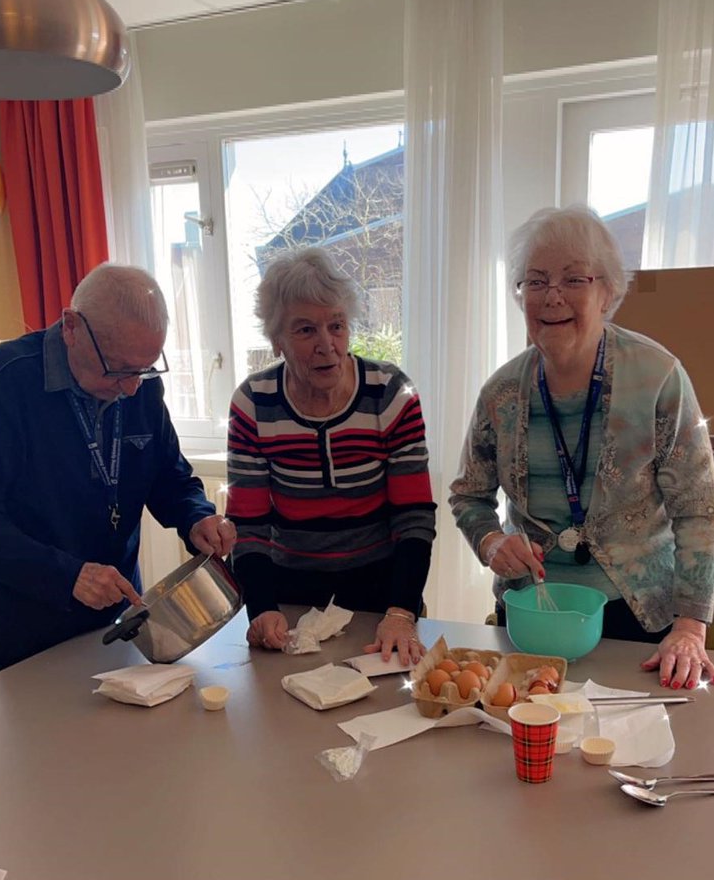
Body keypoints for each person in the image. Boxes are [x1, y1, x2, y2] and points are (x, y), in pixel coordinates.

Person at [450, 205, 714, 689]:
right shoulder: (502, 393)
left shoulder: (658, 377)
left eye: (574, 280)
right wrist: (491, 542)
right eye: (535, 281)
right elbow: (468, 494)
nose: (552, 297)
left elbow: (700, 507)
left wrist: (692, 626)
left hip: (638, 623)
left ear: (608, 291)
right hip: (531, 614)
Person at [0, 263, 236, 670]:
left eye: (146, 367)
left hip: (122, 610)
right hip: (31, 620)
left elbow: (170, 476)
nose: (134, 386)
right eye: (119, 370)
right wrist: (68, 576)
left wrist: (196, 518)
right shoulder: (5, 384)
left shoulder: (140, 380)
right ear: (71, 328)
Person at [226, 247, 436, 664]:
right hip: (290, 592)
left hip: (382, 591)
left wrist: (400, 611)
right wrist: (262, 607)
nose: (328, 346)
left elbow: (414, 516)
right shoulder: (253, 404)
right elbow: (249, 527)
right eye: (305, 330)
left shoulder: (392, 394)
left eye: (336, 326)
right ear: (276, 340)